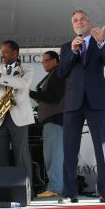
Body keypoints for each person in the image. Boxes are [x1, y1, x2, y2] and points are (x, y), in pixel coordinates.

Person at [57, 10, 105, 204]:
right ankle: (69, 193)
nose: (79, 22)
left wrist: (101, 44)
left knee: (102, 147)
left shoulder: (99, 43)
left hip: (95, 101)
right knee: (70, 149)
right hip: (73, 102)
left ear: (89, 23)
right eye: (75, 20)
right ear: (72, 26)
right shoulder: (67, 47)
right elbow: (61, 72)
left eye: (82, 19)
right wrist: (73, 51)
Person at [0, 40, 34, 182]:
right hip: (0, 117)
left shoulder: (27, 68)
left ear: (15, 52)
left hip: (19, 117)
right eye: (1, 52)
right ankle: (0, 189)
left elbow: (23, 84)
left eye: (6, 52)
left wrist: (1, 76)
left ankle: (25, 189)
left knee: (21, 155)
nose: (3, 55)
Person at [29, 51, 65, 198]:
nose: (44, 63)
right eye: (42, 61)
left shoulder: (57, 74)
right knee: (53, 156)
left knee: (53, 156)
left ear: (56, 60)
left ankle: (55, 188)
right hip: (53, 120)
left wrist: (30, 93)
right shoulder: (53, 74)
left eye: (47, 60)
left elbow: (52, 97)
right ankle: (56, 186)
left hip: (55, 120)